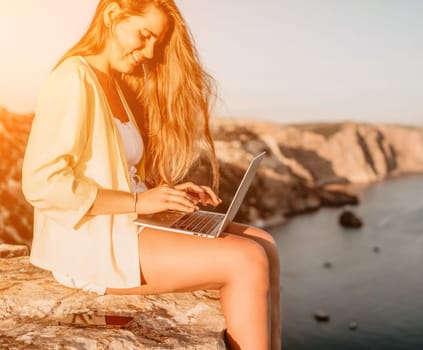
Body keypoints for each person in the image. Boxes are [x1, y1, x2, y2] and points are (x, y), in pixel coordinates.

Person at [21, 1, 281, 349]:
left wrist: (165, 194)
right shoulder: (72, 78)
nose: (149, 51)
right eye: (144, 36)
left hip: (126, 223)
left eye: (156, 43)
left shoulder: (111, 83)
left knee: (265, 243)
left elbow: (114, 171)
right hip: (93, 242)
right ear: (112, 15)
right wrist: (138, 201)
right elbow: (42, 183)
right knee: (247, 260)